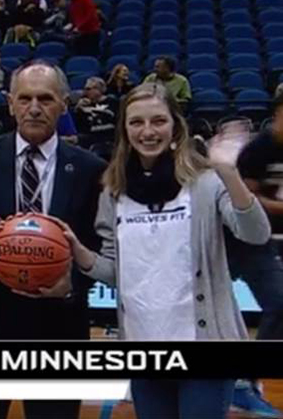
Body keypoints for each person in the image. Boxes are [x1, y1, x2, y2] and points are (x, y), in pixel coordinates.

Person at [58, 83, 270, 419]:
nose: (147, 131)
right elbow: (115, 272)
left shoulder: (206, 182)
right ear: (125, 130)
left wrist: (229, 172)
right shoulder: (113, 191)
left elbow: (257, 233)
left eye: (158, 121)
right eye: (136, 122)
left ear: (175, 126)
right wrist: (78, 251)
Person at [0, 60, 106, 419]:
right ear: (10, 103)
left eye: (45, 99)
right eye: (25, 98)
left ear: (63, 104)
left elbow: (97, 243)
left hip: (58, 320)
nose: (34, 108)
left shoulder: (90, 167)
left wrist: (71, 284)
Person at [227, 97, 283, 418]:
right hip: (243, 241)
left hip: (270, 242)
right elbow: (246, 200)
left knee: (280, 305)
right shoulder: (258, 150)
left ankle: (247, 383)